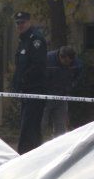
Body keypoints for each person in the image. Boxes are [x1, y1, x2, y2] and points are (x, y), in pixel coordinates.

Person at [11, 11, 47, 153]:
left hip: (35, 89)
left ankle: (25, 154)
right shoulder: (24, 40)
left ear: (29, 22)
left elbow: (37, 65)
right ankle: (32, 153)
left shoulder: (36, 40)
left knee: (29, 125)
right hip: (26, 90)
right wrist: (17, 83)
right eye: (18, 23)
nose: (20, 25)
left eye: (23, 22)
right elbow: (20, 66)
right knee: (29, 125)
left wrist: (24, 79)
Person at [41, 45, 81, 138]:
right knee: (41, 124)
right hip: (46, 97)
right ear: (61, 57)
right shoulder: (48, 59)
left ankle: (58, 148)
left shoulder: (75, 63)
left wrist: (70, 86)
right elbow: (41, 77)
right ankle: (38, 146)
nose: (67, 64)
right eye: (65, 62)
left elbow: (78, 74)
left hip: (62, 96)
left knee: (60, 127)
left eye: (69, 62)